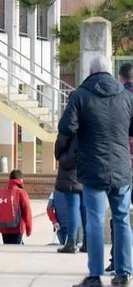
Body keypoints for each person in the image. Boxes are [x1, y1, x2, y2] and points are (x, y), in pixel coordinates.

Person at [58, 54, 133, 287]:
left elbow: (66, 128)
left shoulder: (81, 95)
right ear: (110, 71)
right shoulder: (126, 96)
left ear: (90, 72)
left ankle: (95, 276)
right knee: (122, 219)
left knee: (95, 220)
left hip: (92, 167)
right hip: (121, 166)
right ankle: (124, 273)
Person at [105, 62, 133, 273]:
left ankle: (118, 261)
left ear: (121, 77)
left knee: (120, 214)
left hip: (122, 162)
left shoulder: (118, 99)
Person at [54, 129, 87, 254]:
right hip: (85, 170)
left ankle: (71, 242)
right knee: (85, 208)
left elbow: (58, 149)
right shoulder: (89, 123)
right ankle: (87, 242)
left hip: (70, 172)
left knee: (73, 206)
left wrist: (62, 157)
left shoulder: (68, 127)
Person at [0, 169, 32, 244]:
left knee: (7, 248)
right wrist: (29, 229)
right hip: (17, 228)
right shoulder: (21, 193)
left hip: (3, 227)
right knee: (16, 251)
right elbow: (27, 211)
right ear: (21, 180)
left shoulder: (1, 192)